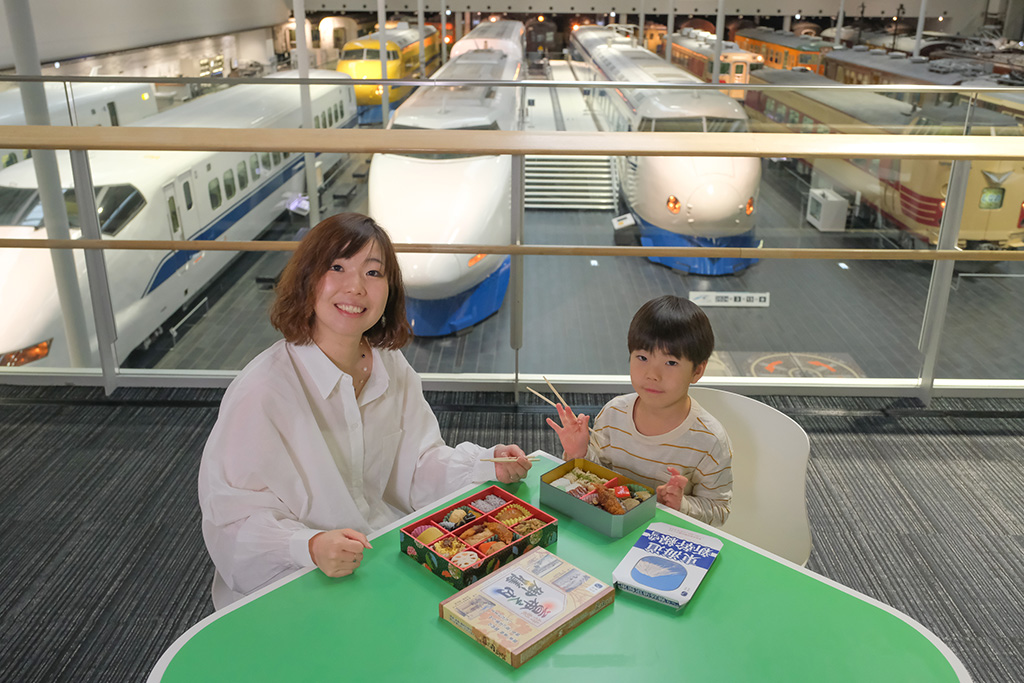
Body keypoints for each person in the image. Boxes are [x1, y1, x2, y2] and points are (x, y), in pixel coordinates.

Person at [198, 212, 531, 609]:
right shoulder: (262, 391)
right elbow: (231, 523)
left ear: (390, 290)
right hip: (296, 581)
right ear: (307, 279)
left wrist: (483, 465)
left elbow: (417, 465)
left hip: (379, 556)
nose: (355, 287)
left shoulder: (390, 364)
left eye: (373, 273)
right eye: (337, 267)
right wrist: (308, 545)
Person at [545, 295, 732, 526]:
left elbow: (719, 510)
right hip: (613, 529)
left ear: (697, 371)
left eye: (671, 363)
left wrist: (682, 505)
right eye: (642, 357)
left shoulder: (710, 440)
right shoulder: (613, 414)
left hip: (666, 533)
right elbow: (599, 478)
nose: (652, 374)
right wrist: (579, 454)